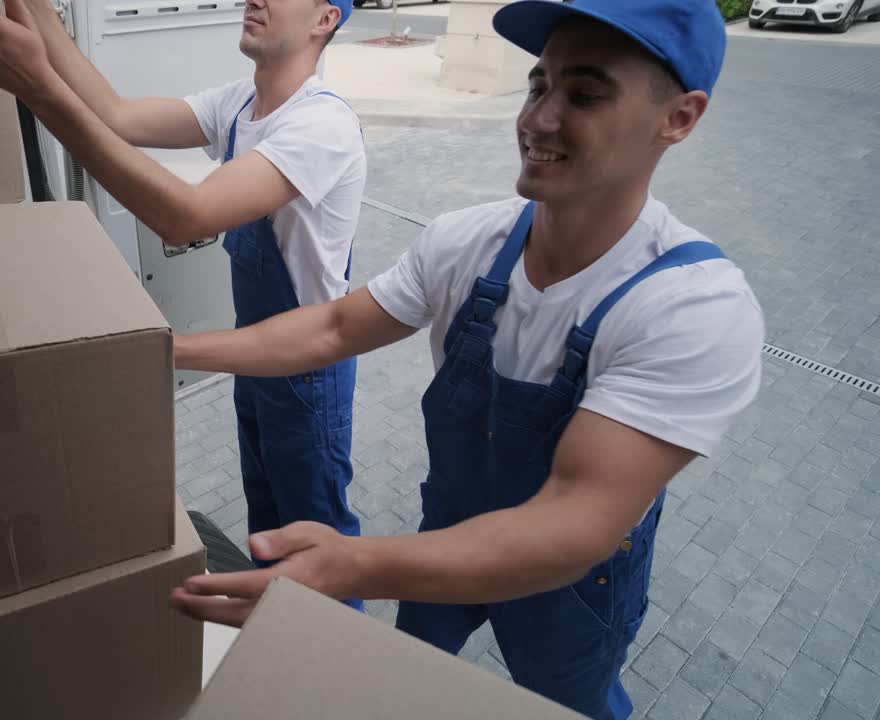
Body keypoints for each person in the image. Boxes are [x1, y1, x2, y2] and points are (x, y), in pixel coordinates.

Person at [168, 1, 764, 717]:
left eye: (584, 93)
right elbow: (330, 327)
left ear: (680, 118)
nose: (538, 119)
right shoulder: (466, 243)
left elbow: (575, 522)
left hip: (572, 588)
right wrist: (164, 352)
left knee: (571, 705)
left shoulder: (690, 307)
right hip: (446, 538)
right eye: (539, 85)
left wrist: (354, 563)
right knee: (415, 680)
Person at [0, 0, 368, 607]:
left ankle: (340, 670)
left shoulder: (321, 127)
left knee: (319, 559)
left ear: (324, 21)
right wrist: (39, 14)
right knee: (269, 537)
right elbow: (117, 116)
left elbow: (186, 217)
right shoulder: (239, 104)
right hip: (256, 365)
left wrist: (38, 89)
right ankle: (281, 641)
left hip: (307, 379)